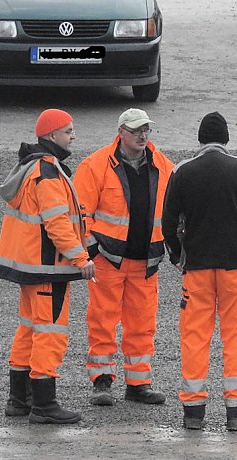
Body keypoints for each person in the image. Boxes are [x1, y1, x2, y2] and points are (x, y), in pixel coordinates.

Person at [162, 112, 237, 431]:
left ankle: (193, 412)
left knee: (195, 337)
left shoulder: (182, 171)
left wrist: (177, 256)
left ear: (200, 139)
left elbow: (168, 222)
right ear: (226, 138)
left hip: (197, 269)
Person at [0, 109, 96, 424]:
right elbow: (57, 223)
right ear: (52, 135)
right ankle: (43, 404)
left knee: (29, 329)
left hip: (30, 267)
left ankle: (19, 399)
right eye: (68, 131)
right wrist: (81, 258)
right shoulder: (48, 172)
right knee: (50, 332)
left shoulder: (33, 167)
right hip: (48, 269)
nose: (73, 136)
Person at [74, 108, 175, 406]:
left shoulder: (164, 166)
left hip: (146, 261)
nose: (142, 136)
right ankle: (102, 381)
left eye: (146, 130)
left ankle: (138, 383)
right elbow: (79, 214)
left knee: (142, 324)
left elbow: (177, 209)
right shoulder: (95, 166)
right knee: (102, 320)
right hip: (108, 259)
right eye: (135, 131)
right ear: (120, 133)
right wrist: (92, 249)